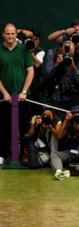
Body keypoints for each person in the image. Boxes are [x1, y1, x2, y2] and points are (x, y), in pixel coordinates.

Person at [0, 23, 34, 165]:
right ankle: (2, 155)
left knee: (23, 128)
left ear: (16, 34)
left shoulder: (24, 49)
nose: (10, 36)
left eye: (13, 33)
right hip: (4, 98)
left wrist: (24, 91)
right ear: (3, 34)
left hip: (22, 97)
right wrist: (5, 93)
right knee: (3, 127)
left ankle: (23, 156)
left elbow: (31, 71)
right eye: (7, 33)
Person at [50, 106, 79, 180]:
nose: (76, 117)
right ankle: (59, 172)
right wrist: (66, 120)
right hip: (68, 152)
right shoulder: (68, 122)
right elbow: (59, 136)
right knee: (54, 154)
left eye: (78, 115)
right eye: (74, 115)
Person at [44, 40, 79, 118]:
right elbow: (47, 75)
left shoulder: (78, 57)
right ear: (61, 49)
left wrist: (73, 67)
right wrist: (56, 64)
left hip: (73, 96)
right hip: (56, 95)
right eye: (66, 53)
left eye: (71, 54)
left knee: (77, 118)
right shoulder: (54, 53)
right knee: (59, 121)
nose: (68, 55)